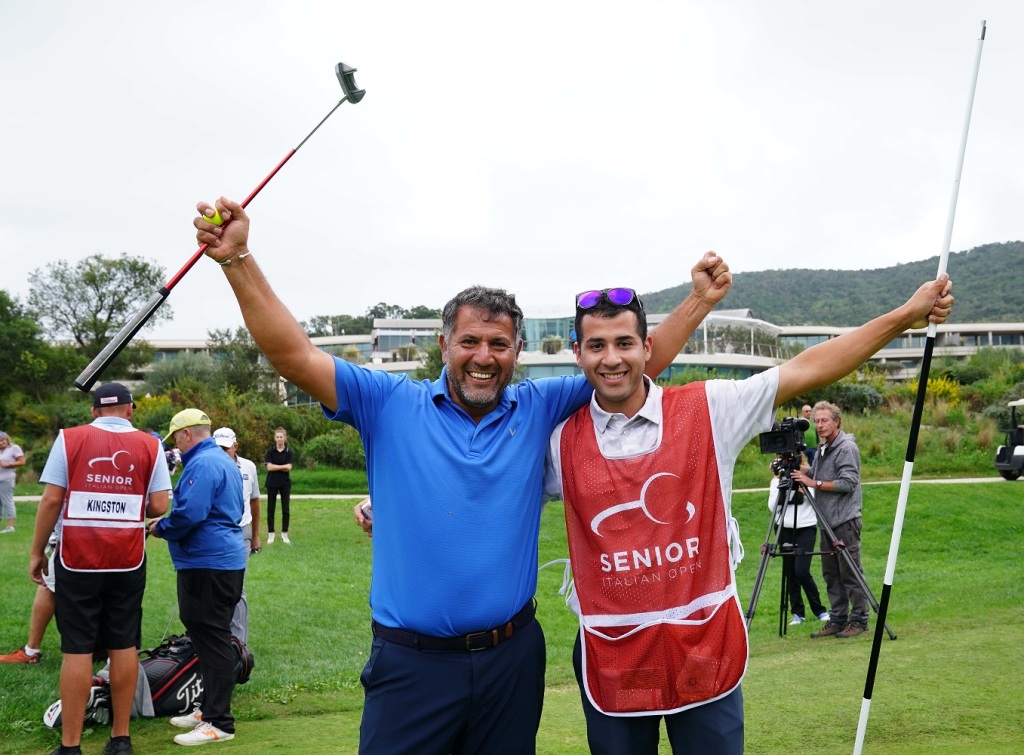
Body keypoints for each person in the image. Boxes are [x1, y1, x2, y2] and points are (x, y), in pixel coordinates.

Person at [194, 196, 729, 754]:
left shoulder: (541, 405)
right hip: (411, 665)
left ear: (517, 351)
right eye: (470, 341)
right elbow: (295, 356)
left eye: (499, 344)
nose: (483, 355)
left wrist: (698, 300)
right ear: (444, 345)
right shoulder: (387, 402)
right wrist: (238, 259)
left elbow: (631, 364)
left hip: (511, 661)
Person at [542, 277, 953, 754]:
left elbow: (810, 367)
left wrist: (906, 314)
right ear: (577, 352)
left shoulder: (710, 407)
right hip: (616, 655)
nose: (611, 358)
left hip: (704, 648)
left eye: (624, 343)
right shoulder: (556, 440)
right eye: (597, 345)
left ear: (647, 346)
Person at [29, 382, 171, 755]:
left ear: (94, 411)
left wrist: (36, 553)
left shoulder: (69, 438)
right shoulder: (150, 444)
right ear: (130, 409)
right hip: (127, 558)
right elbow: (159, 505)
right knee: (123, 644)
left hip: (77, 558)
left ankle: (71, 746)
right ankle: (120, 739)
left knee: (76, 649)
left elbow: (51, 500)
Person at [148, 409, 246, 746]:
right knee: (202, 635)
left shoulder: (203, 464)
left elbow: (190, 513)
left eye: (175, 437)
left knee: (213, 637)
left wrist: (159, 527)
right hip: (217, 560)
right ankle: (207, 708)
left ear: (187, 433)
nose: (175, 444)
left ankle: (219, 722)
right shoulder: (221, 460)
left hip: (209, 562)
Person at [791, 401, 870, 639]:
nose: (820, 425)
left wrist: (811, 483)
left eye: (825, 420)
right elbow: (817, 474)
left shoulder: (846, 448)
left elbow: (847, 483)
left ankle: (859, 620)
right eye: (816, 421)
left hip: (844, 521)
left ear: (837, 421)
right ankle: (837, 620)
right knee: (831, 575)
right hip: (826, 523)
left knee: (850, 573)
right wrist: (799, 468)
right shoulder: (825, 448)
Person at [213, 426, 262, 644]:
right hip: (215, 533)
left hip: (241, 531)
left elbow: (255, 501)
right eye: (218, 448)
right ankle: (217, 634)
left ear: (235, 446)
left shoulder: (248, 467)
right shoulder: (209, 466)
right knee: (214, 585)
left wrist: (256, 535)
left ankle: (238, 642)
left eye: (226, 448)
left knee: (236, 586)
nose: (222, 452)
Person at [766, 460, 829, 626]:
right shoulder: (777, 481)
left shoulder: (809, 479)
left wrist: (805, 488)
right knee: (790, 572)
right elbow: (772, 507)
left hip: (806, 528)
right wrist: (784, 491)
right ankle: (797, 613)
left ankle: (820, 610)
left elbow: (818, 502)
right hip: (784, 528)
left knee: (801, 570)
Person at [0, 532, 58, 664]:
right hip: (109, 536)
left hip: (77, 536)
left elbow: (49, 509)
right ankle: (103, 651)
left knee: (48, 585)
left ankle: (31, 651)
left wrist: (37, 553)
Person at [264, 427, 292, 544]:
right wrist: (282, 467)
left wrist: (276, 467)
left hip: (285, 483)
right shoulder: (270, 452)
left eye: (281, 437)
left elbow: (289, 467)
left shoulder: (288, 452)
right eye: (277, 437)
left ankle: (284, 534)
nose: (279, 439)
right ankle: (271, 534)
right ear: (275, 438)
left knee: (285, 509)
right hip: (272, 483)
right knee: (271, 509)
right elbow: (269, 467)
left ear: (284, 438)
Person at [0, 430, 26, 533]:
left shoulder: (14, 448)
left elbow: (22, 461)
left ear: (7, 440)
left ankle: (10, 526)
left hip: (7, 479)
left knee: (7, 501)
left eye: (3, 440)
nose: (1, 443)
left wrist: (9, 464)